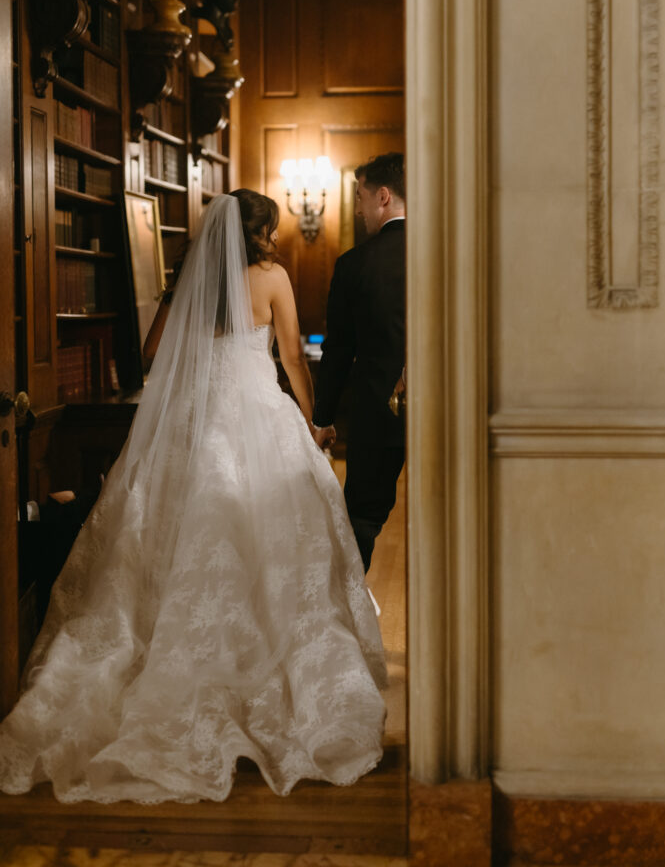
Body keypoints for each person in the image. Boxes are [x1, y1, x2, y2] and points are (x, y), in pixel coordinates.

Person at [0, 191, 386, 804]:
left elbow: (153, 353)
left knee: (165, 536)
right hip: (260, 417)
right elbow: (291, 355)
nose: (275, 238)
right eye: (272, 228)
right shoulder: (272, 277)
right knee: (271, 540)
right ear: (257, 232)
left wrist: (197, 348)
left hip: (193, 420)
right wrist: (314, 422)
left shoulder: (191, 282)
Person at [312, 153, 406, 573]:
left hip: (375, 412)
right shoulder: (447, 254)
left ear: (382, 196)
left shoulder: (353, 265)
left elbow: (337, 351)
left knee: (360, 523)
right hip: (447, 413)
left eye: (359, 197)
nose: (357, 209)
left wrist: (322, 418)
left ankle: (348, 607)